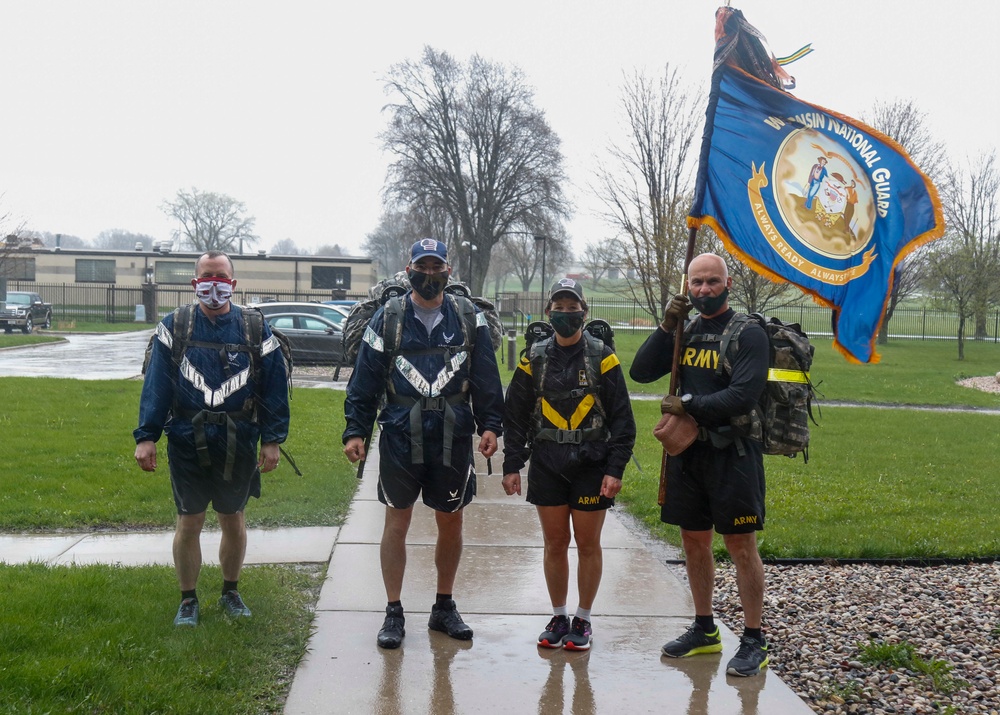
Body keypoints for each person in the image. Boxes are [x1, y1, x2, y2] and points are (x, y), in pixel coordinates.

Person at [342, 238, 504, 650]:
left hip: (452, 433)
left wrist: (491, 425)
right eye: (422, 267)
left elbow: (486, 374)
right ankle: (393, 611)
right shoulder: (388, 317)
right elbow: (365, 378)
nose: (429, 274)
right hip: (399, 433)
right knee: (397, 522)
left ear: (449, 271)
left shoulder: (469, 317)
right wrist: (355, 430)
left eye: (436, 267)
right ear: (409, 269)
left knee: (451, 520)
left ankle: (444, 606)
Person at [629, 253, 771, 677]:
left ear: (728, 283)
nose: (704, 290)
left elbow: (741, 396)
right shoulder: (686, 331)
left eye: (712, 282)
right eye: (697, 283)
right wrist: (667, 325)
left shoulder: (749, 334)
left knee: (740, 546)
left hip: (734, 455)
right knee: (693, 541)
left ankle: (753, 638)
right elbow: (639, 372)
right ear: (687, 287)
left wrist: (687, 403)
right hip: (688, 455)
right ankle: (705, 629)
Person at [134, 251, 290, 627]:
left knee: (232, 518)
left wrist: (272, 440)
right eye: (207, 276)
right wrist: (147, 436)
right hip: (187, 438)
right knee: (189, 521)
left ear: (233, 284)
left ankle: (230, 592)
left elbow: (273, 390)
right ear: (194, 282)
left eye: (221, 277)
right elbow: (156, 386)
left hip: (239, 439)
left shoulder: (255, 329)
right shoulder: (175, 325)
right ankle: (188, 599)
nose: (214, 284)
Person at [501, 278, 636, 651]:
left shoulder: (601, 357)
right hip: (547, 462)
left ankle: (584, 619)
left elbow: (623, 419)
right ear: (549, 312)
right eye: (558, 308)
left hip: (592, 462)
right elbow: (515, 414)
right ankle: (559, 616)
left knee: (588, 543)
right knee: (555, 542)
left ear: (584, 311)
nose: (565, 314)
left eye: (571, 307)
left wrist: (616, 468)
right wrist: (512, 464)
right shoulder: (534, 357)